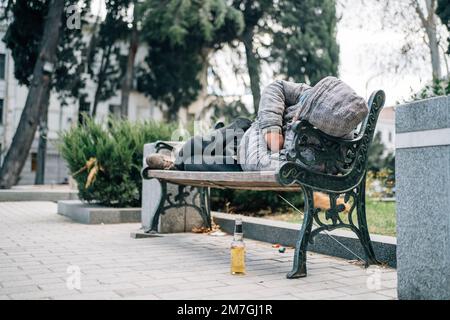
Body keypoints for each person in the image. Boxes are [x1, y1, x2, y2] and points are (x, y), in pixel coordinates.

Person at [146, 76, 368, 172]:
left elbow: (261, 165)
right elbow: (277, 87)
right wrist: (271, 127)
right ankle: (178, 155)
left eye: (305, 113)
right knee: (199, 142)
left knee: (197, 163)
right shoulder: (314, 97)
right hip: (248, 130)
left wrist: (268, 144)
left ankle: (175, 164)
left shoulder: (321, 152)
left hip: (247, 160)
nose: (299, 113)